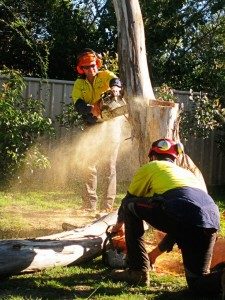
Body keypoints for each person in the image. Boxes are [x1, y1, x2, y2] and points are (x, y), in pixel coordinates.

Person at [111, 138, 225, 297]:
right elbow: (180, 227)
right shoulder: (187, 174)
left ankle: (138, 271)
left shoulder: (151, 166)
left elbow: (127, 200)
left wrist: (117, 226)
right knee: (198, 283)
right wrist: (153, 255)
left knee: (130, 206)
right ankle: (221, 278)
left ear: (152, 156)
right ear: (174, 158)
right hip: (211, 218)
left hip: (183, 213)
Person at [71, 48, 124, 213]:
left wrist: (115, 88)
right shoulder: (80, 83)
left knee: (109, 166)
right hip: (92, 126)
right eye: (87, 67)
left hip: (111, 126)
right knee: (89, 165)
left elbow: (116, 80)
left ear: (97, 64)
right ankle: (88, 205)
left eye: (93, 65)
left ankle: (107, 207)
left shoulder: (105, 75)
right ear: (82, 69)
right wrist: (91, 108)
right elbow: (78, 104)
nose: (91, 69)